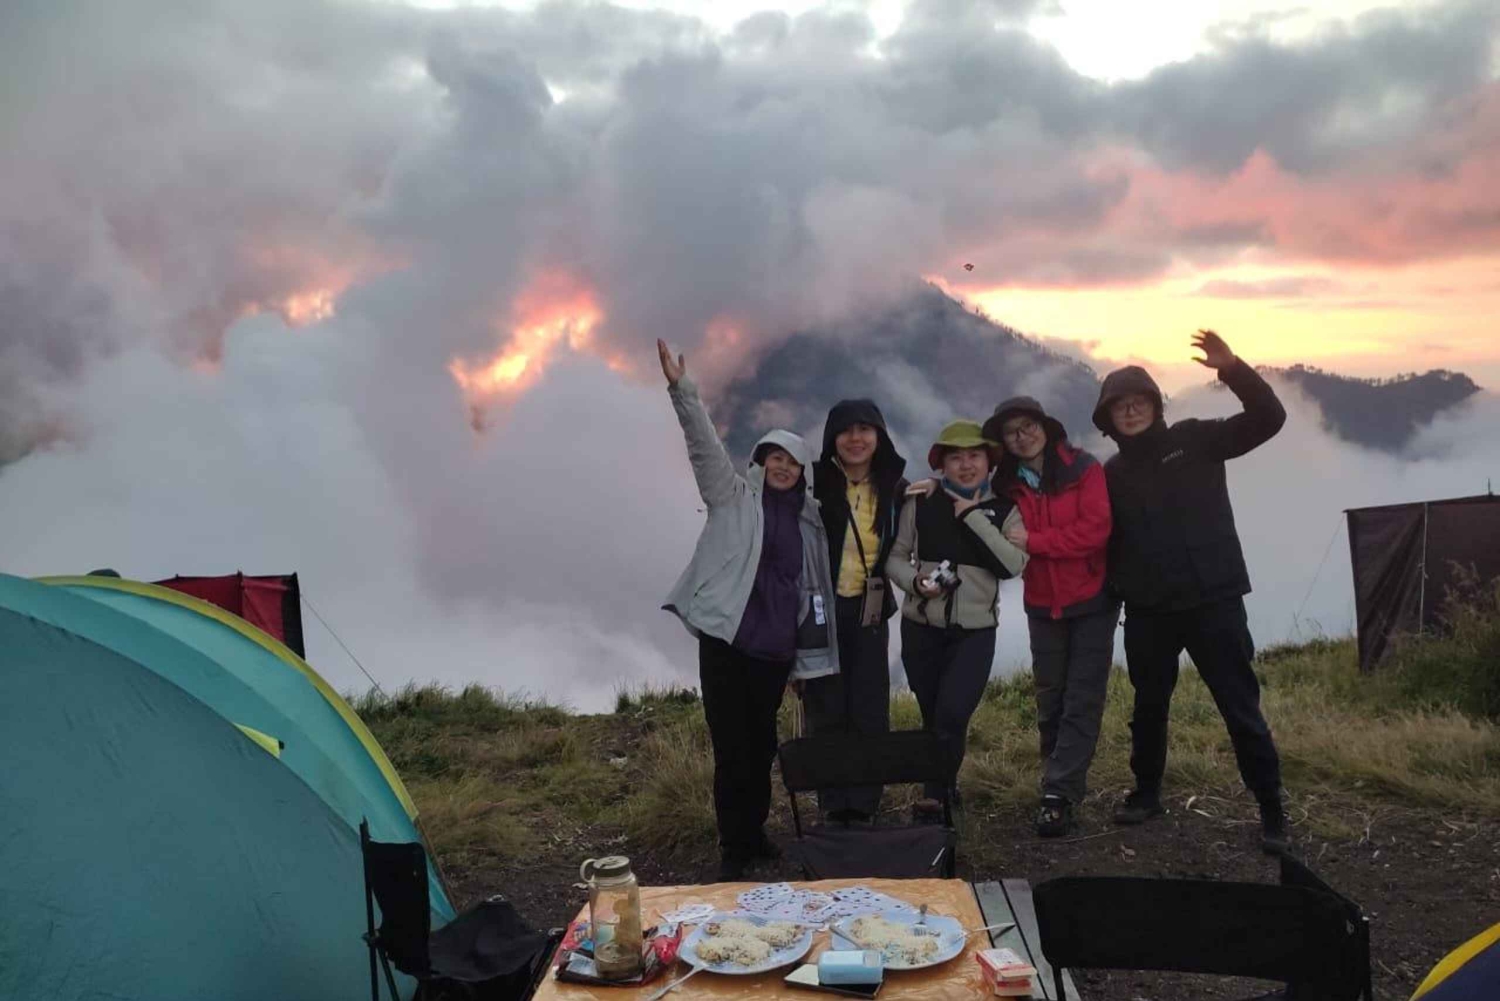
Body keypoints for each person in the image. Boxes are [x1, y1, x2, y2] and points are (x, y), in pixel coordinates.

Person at [1094, 329, 1290, 854]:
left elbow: (1269, 419)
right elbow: (1099, 536)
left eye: (1139, 402)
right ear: (1108, 418)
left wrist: (1233, 370)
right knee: (1149, 705)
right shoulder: (1110, 474)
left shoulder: (1198, 438)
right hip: (1149, 609)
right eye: (1120, 407)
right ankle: (1147, 793)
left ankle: (1271, 806)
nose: (1131, 411)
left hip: (1214, 601)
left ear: (1156, 406)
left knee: (1239, 706)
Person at [656, 339, 840, 880]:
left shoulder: (810, 519)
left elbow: (815, 585)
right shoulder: (732, 496)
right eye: (774, 457)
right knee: (729, 743)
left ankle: (754, 831)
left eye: (792, 462)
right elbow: (703, 446)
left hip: (775, 649)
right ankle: (733, 846)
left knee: (760, 745)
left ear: (803, 472)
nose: (783, 467)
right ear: (759, 462)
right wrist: (682, 389)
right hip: (727, 641)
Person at [982, 397, 1115, 838]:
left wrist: (1038, 542)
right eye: (1012, 432)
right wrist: (926, 489)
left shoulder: (1083, 468)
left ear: (1045, 426)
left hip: (1091, 598)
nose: (1022, 436)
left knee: (1081, 698)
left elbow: (1096, 531)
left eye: (1028, 426)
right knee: (1050, 698)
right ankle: (1054, 779)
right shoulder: (1005, 484)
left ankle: (1059, 794)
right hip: (1043, 603)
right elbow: (966, 492)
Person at [885, 420, 1028, 814]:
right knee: (933, 715)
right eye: (956, 457)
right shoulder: (921, 502)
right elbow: (895, 557)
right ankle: (944, 790)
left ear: (989, 462)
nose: (966, 465)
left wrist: (972, 515)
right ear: (942, 464)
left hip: (975, 633)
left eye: (974, 456)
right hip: (922, 628)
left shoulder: (1004, 511)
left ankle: (934, 795)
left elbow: (1012, 565)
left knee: (952, 712)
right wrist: (916, 583)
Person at [804, 400, 908, 823]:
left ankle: (864, 804)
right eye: (846, 431)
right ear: (833, 439)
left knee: (869, 707)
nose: (856, 438)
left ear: (879, 436)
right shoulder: (813, 486)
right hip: (821, 612)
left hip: (870, 612)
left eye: (865, 429)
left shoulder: (896, 489)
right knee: (826, 707)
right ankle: (833, 804)